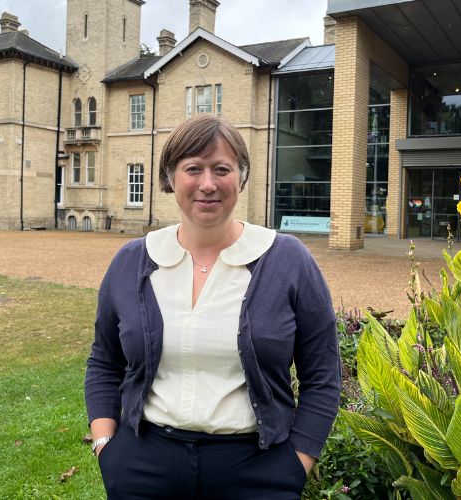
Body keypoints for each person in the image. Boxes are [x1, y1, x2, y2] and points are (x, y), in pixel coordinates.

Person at [85, 114, 341, 499]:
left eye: (222, 169)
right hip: (143, 464)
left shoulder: (287, 259)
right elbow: (105, 360)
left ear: (241, 177)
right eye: (193, 168)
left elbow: (322, 372)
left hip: (256, 467)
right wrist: (106, 446)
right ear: (170, 177)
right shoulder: (132, 260)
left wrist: (296, 462)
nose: (208, 184)